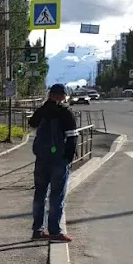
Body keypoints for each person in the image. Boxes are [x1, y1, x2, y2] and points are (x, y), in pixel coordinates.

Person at [29, 83, 79, 242]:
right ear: (64, 96)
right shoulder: (66, 113)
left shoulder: (42, 111)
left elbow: (32, 123)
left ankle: (37, 230)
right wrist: (68, 158)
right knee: (57, 196)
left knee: (39, 194)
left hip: (41, 159)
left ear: (50, 95)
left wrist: (45, 106)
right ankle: (55, 231)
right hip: (59, 160)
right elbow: (72, 137)